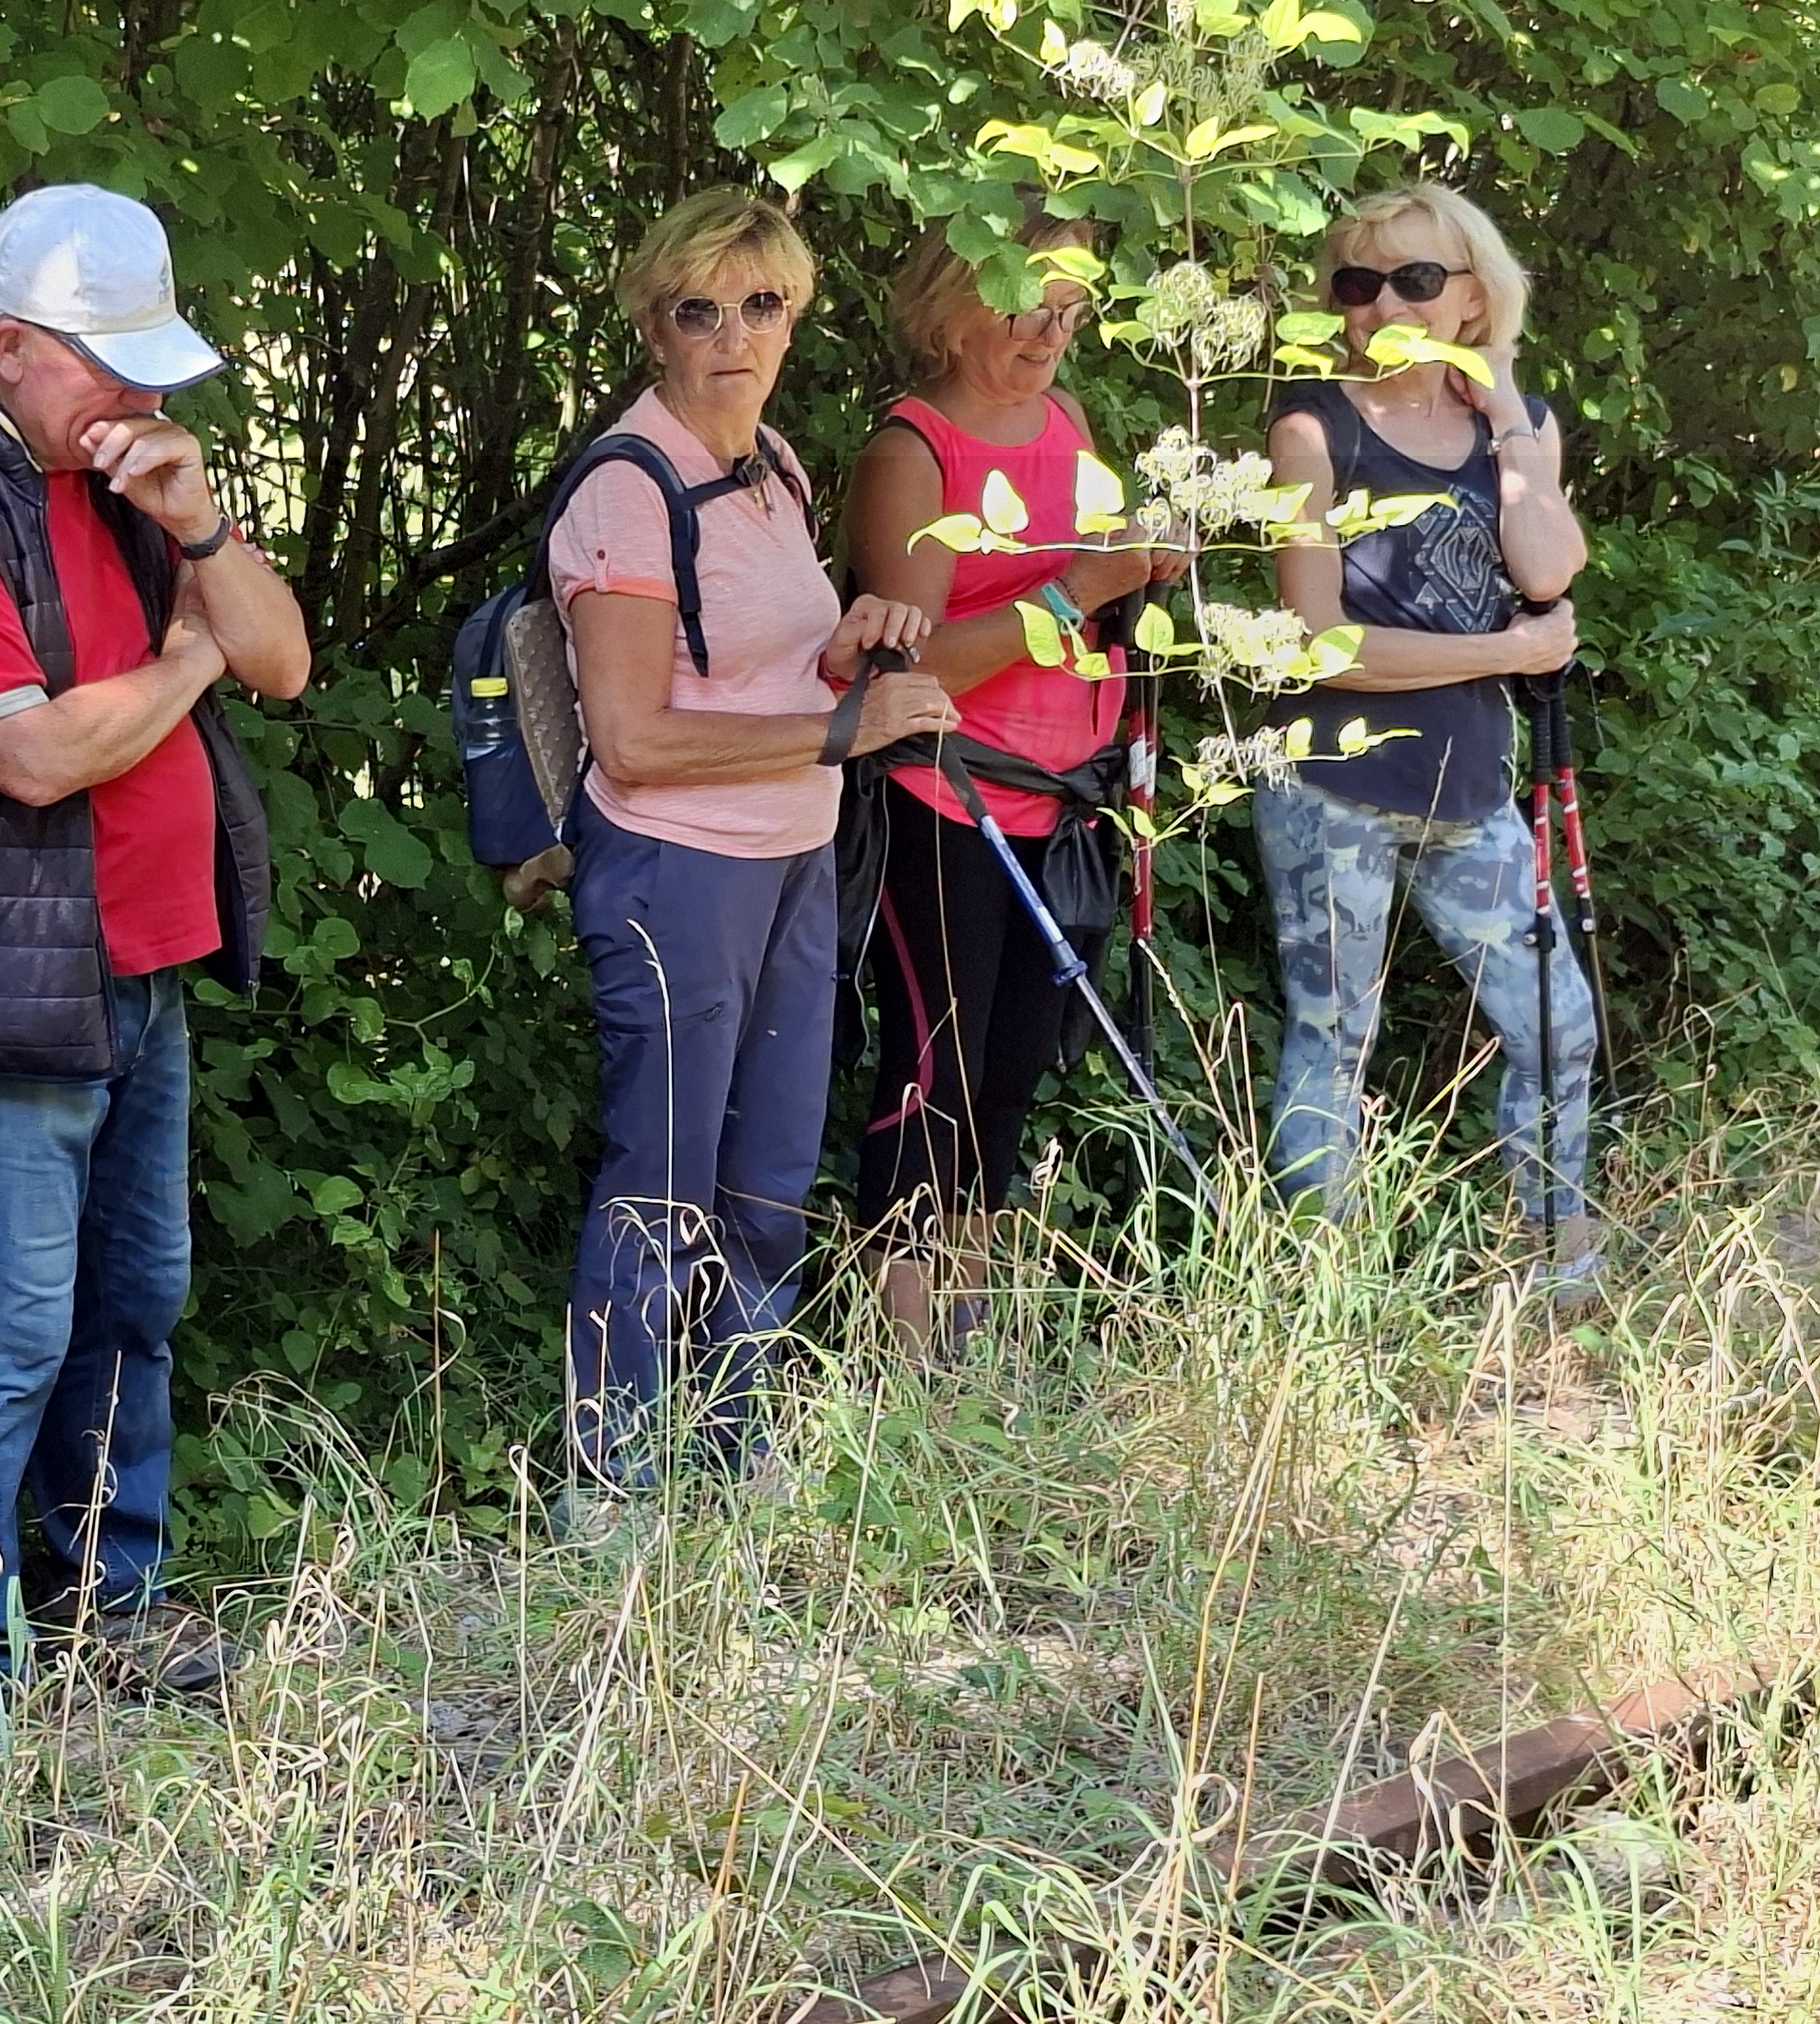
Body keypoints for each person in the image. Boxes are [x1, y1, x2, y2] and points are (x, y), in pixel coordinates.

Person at [0, 183, 313, 1756]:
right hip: (9, 982)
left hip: (146, 958)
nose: (141, 395)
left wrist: (205, 529)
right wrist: (187, 653)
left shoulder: (120, 471)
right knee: (3, 1336)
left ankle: (108, 1606)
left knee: (138, 1298)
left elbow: (289, 661)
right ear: (6, 345)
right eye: (107, 362)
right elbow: (36, 757)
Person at [553, 189, 952, 1491]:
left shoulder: (769, 462)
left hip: (789, 853)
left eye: (761, 305)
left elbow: (751, 671)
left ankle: (736, 1448)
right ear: (653, 327)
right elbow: (634, 741)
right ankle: (617, 1477)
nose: (734, 334)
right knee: (664, 1176)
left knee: (772, 1171)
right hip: (678, 863)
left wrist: (847, 649)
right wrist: (846, 734)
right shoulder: (629, 487)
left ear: (797, 317)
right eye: (699, 309)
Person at [843, 212, 1178, 1355]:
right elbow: (915, 659)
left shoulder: (1067, 420)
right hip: (943, 796)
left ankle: (970, 1339)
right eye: (1028, 297)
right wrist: (1085, 585)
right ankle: (900, 1354)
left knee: (1013, 1070)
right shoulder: (913, 449)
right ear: (947, 300)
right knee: (932, 1064)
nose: (1052, 325)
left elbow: (1099, 585)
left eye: (1073, 300)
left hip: (1064, 795)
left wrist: (1140, 571)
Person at [1256, 181, 1594, 1275]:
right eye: (1358, 285)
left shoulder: (1521, 424)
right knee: (1331, 1044)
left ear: (1469, 295)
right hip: (1330, 786)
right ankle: (1319, 1308)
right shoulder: (1315, 430)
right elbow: (1318, 643)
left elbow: (1548, 570)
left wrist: (1503, 421)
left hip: (1470, 790)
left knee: (1558, 1024)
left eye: (1413, 279)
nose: (1381, 305)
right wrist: (1503, 652)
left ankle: (1557, 1267)